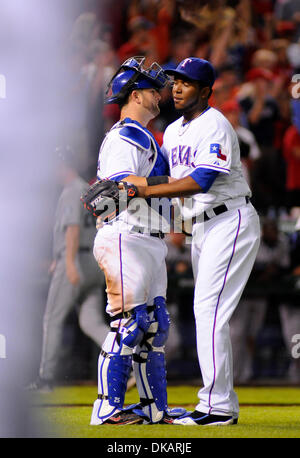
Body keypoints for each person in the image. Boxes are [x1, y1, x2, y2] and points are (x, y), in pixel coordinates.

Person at [134, 57, 261, 425]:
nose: (175, 87)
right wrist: (128, 182)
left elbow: (201, 180)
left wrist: (142, 190)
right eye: (174, 81)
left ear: (205, 91)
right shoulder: (173, 131)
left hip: (229, 219)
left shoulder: (216, 125)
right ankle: (220, 403)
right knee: (206, 311)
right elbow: (160, 178)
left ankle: (217, 406)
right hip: (200, 227)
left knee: (209, 312)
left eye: (186, 83)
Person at [89, 56, 185, 425]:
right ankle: (107, 409)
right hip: (125, 234)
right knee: (130, 325)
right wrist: (181, 183)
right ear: (134, 95)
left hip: (148, 238)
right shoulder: (126, 134)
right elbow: (122, 187)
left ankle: (152, 409)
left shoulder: (143, 135)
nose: (158, 94)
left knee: (155, 325)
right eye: (150, 89)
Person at [27, 146, 108, 392]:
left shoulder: (72, 190)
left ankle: (46, 379)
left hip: (75, 261)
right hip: (93, 262)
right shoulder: (88, 188)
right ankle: (124, 361)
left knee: (52, 318)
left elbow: (73, 228)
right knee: (91, 321)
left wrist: (69, 262)